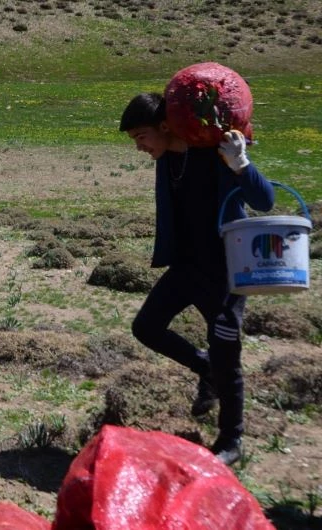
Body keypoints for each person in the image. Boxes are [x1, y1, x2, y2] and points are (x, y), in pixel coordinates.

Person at [119, 92, 275, 465]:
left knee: (227, 354)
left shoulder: (215, 155)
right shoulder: (167, 159)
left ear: (164, 126)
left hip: (225, 273)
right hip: (186, 268)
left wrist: (241, 164)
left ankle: (232, 439)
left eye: (141, 136)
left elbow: (265, 200)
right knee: (147, 327)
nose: (139, 147)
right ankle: (204, 368)